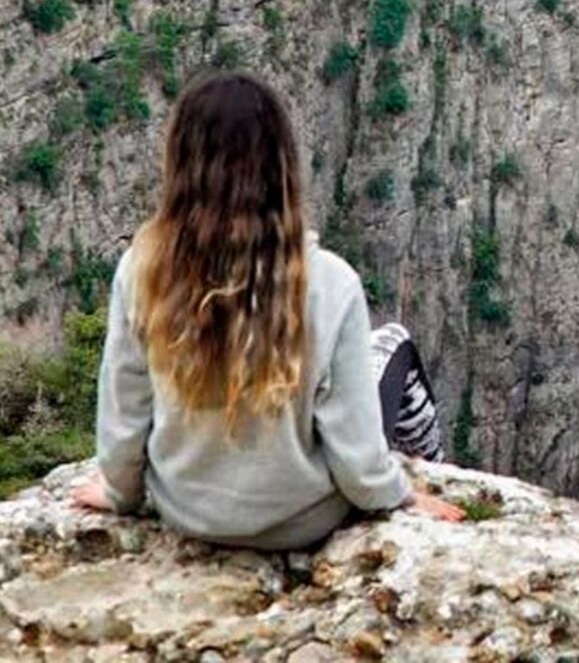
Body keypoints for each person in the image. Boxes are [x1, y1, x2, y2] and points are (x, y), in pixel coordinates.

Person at [71, 70, 464, 547]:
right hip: (303, 521)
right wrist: (398, 496)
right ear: (282, 167)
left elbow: (124, 408)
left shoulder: (143, 271)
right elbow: (356, 455)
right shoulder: (332, 283)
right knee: (395, 346)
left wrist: (119, 492)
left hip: (187, 513)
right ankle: (433, 461)